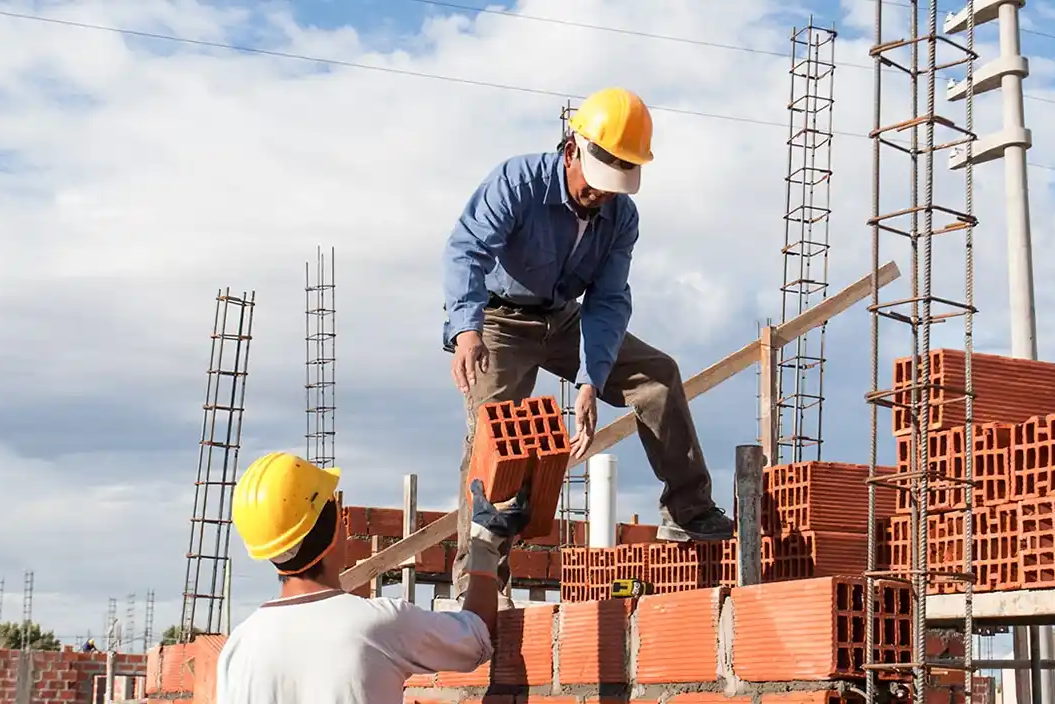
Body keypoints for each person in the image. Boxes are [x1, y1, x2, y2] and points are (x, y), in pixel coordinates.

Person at [441, 86, 735, 602]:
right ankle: (479, 579)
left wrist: (588, 380)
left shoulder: (621, 217)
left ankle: (688, 511)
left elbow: (608, 301)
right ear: (572, 150)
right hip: (500, 322)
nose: (602, 194)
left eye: (617, 183)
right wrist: (467, 329)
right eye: (599, 180)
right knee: (497, 437)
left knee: (657, 376)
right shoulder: (518, 182)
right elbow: (466, 250)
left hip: (565, 318)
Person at [215, 451, 532, 704]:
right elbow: (475, 637)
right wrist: (485, 546)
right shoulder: (376, 625)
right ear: (336, 528)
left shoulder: (238, 647)